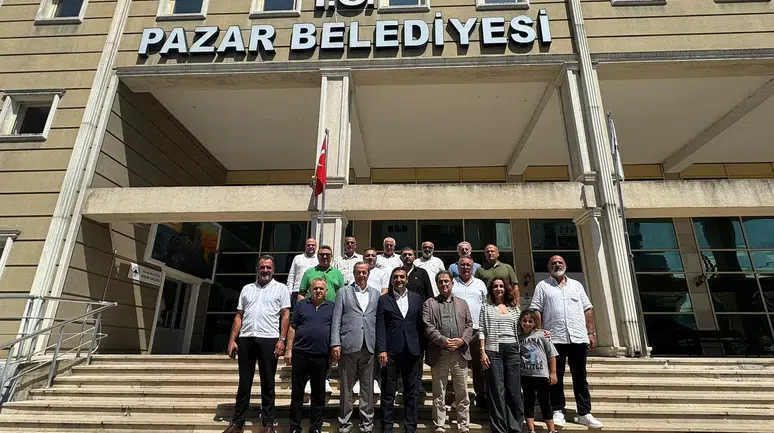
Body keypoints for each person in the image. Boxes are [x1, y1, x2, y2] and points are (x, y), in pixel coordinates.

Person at [529, 255, 603, 429]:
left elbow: (587, 309)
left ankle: (584, 413)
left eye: (560, 262)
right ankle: (558, 410)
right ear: (548, 268)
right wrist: (540, 332)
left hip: (578, 337)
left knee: (580, 377)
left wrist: (591, 333)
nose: (557, 265)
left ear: (565, 265)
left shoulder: (577, 285)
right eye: (553, 263)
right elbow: (536, 310)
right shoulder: (542, 286)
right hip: (555, 339)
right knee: (556, 376)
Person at [223, 255, 290, 433]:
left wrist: (282, 340)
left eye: (268, 267)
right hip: (246, 339)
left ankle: (268, 424)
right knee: (244, 382)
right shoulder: (247, 289)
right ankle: (237, 423)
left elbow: (285, 315)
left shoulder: (281, 288)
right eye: (262, 267)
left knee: (268, 383)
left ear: (273, 269)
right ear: (257, 269)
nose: (265, 270)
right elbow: (239, 316)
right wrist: (232, 340)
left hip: (269, 339)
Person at [331, 262, 382, 433]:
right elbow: (336, 319)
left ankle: (366, 425)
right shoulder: (343, 292)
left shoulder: (376, 294)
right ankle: (344, 424)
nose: (361, 275)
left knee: (367, 389)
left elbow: (377, 321)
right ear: (354, 274)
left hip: (369, 345)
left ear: (368, 274)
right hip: (348, 344)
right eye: (358, 272)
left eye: (364, 272)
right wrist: (335, 343)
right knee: (346, 388)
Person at [423, 270, 473, 433]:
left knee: (462, 391)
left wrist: (462, 340)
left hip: (459, 353)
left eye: (446, 281)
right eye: (440, 282)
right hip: (440, 353)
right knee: (439, 391)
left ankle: (463, 425)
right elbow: (427, 326)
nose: (444, 284)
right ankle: (439, 424)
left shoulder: (462, 303)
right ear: (437, 284)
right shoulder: (429, 303)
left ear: (452, 283)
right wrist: (443, 341)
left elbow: (469, 325)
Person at [376, 267, 425, 433]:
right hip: (391, 353)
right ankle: (387, 427)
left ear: (407, 279)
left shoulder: (417, 299)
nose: (399, 280)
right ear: (391, 280)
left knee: (412, 393)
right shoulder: (384, 300)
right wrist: (382, 350)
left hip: (412, 352)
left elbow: (420, 326)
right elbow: (380, 326)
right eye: (395, 277)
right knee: (388, 392)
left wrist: (421, 350)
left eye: (402, 277)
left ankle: (410, 427)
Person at [286, 278, 334, 433]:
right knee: (297, 393)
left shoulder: (332, 307)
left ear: (326, 291)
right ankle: (295, 427)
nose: (318, 291)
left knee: (318, 394)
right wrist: (288, 350)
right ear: (310, 290)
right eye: (315, 288)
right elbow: (292, 327)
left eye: (321, 288)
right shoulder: (301, 305)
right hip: (300, 354)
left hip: (321, 356)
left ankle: (315, 428)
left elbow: (335, 329)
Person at [479, 277, 523, 433]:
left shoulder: (515, 308)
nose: (498, 289)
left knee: (514, 390)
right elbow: (482, 330)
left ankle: (515, 427)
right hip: (493, 351)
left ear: (506, 289)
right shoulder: (486, 307)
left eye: (501, 286)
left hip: (513, 350)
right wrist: (482, 351)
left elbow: (522, 329)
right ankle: (500, 429)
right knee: (497, 391)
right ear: (492, 290)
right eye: (496, 286)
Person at [299, 245, 345, 393]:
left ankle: (325, 377)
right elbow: (301, 293)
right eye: (322, 254)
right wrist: (301, 310)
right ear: (318, 256)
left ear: (331, 257)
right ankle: (309, 379)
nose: (325, 257)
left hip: (332, 314)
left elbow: (342, 294)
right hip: (312, 313)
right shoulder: (309, 273)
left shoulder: (337, 273)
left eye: (327, 255)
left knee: (328, 346)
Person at [451, 256, 488, 408]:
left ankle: (481, 396)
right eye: (462, 265)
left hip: (477, 330)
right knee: (459, 367)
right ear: (458, 267)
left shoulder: (480, 284)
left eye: (468, 265)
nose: (465, 267)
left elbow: (485, 306)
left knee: (479, 367)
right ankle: (460, 397)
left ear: (473, 267)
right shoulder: (452, 284)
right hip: (458, 331)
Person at [519, 309, 559, 433]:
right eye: (524, 321)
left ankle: (551, 430)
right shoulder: (519, 338)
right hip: (526, 375)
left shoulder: (542, 335)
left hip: (542, 375)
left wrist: (553, 372)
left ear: (534, 322)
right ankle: (531, 430)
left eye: (530, 321)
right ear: (520, 322)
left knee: (545, 402)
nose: (527, 324)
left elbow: (551, 354)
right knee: (528, 402)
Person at [286, 238, 318, 311]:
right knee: (297, 314)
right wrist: (289, 291)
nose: (311, 247)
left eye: (313, 245)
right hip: (297, 291)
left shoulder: (318, 259)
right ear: (305, 246)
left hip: (313, 292)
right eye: (308, 245)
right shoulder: (297, 258)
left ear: (316, 247)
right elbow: (291, 275)